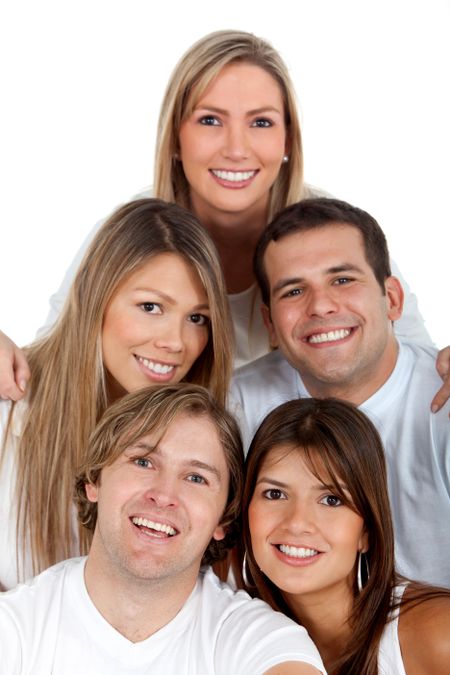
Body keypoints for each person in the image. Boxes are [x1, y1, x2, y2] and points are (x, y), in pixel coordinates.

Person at [1, 29, 449, 404]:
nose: (237, 148)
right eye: (211, 120)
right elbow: (57, 354)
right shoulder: (135, 232)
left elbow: (410, 358)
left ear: (288, 138)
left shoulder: (328, 235)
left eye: (261, 123)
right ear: (175, 137)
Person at [0, 385, 325, 675]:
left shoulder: (254, 638)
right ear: (94, 481)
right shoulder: (15, 627)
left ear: (222, 521)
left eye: (196, 478)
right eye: (143, 462)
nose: (164, 495)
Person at [0, 197, 233, 591]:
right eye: (151, 306)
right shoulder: (10, 410)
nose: (177, 342)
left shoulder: (213, 436)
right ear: (96, 296)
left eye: (197, 318)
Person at [230, 197, 450, 587]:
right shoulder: (239, 406)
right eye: (294, 291)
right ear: (270, 324)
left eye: (343, 280)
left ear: (393, 299)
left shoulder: (443, 402)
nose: (322, 306)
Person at [240, 397, 450, 674]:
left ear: (367, 531)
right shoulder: (236, 634)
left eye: (331, 500)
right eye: (275, 494)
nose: (297, 523)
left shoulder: (438, 633)